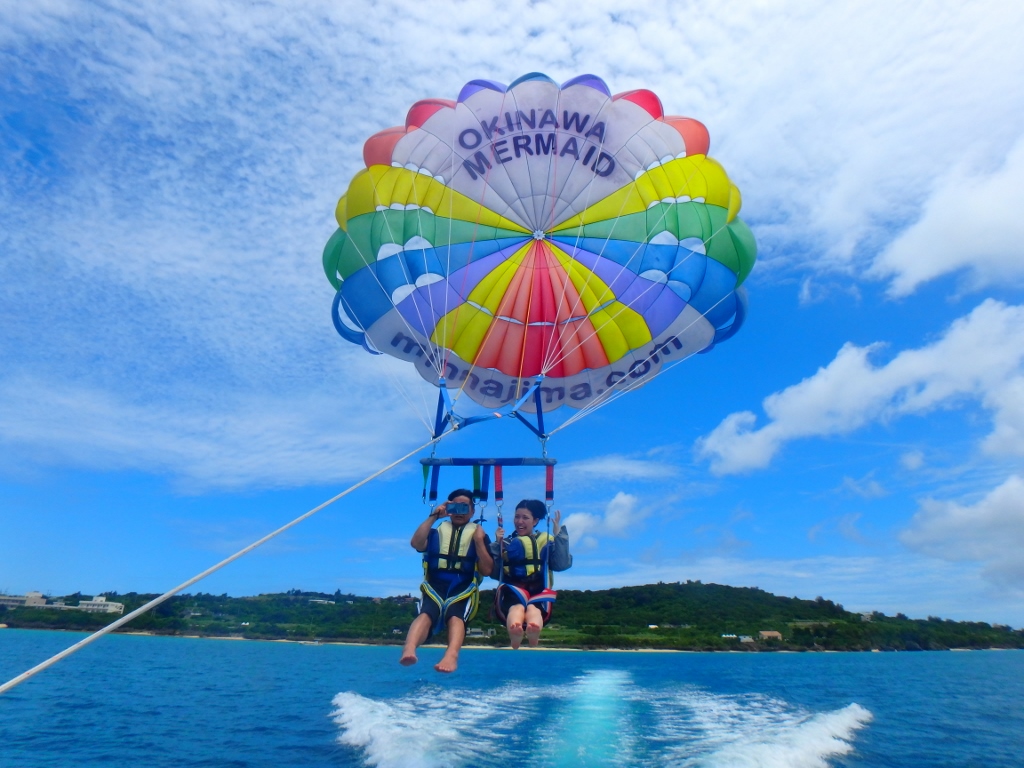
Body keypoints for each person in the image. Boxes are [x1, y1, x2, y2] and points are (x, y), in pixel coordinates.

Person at [399, 489, 493, 673]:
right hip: (434, 584)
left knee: (455, 616)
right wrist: (434, 516)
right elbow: (416, 543)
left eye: (464, 507)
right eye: (454, 507)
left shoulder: (479, 535)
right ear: (448, 508)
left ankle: (452, 654)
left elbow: (487, 570)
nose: (459, 512)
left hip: (463, 586)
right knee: (426, 614)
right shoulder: (435, 532)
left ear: (473, 512)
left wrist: (480, 542)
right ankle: (409, 648)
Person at [491, 499, 571, 649]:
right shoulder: (507, 544)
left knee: (534, 610)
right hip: (513, 591)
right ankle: (515, 631)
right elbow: (495, 573)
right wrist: (497, 544)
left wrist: (559, 535)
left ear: (535, 521)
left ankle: (534, 631)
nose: (519, 521)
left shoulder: (547, 541)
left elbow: (561, 564)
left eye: (525, 518)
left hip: (538, 591)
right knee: (516, 609)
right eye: (517, 517)